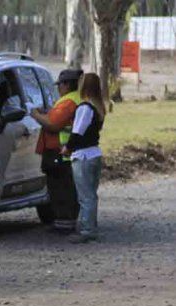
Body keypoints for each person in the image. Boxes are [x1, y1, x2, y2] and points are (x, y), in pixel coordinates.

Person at [31, 69, 83, 234]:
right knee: (64, 186)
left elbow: (53, 124)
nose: (58, 88)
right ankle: (66, 221)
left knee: (60, 187)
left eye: (60, 85)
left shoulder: (68, 102)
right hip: (65, 151)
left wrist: (35, 114)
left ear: (67, 85)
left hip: (59, 151)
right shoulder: (75, 99)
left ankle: (64, 222)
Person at [64, 72, 105, 243]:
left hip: (83, 156)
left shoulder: (84, 108)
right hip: (95, 153)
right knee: (91, 194)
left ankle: (87, 230)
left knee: (85, 196)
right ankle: (89, 226)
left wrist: (67, 147)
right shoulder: (99, 107)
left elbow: (78, 132)